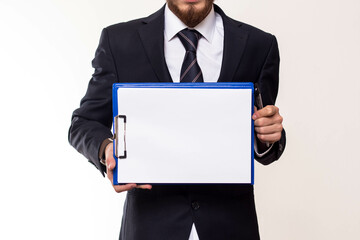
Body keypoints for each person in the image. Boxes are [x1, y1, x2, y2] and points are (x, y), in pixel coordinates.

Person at [68, 0, 286, 239]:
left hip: (230, 226)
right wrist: (107, 149)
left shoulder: (259, 45)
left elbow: (265, 129)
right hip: (150, 227)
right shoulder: (119, 41)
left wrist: (267, 135)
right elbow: (84, 122)